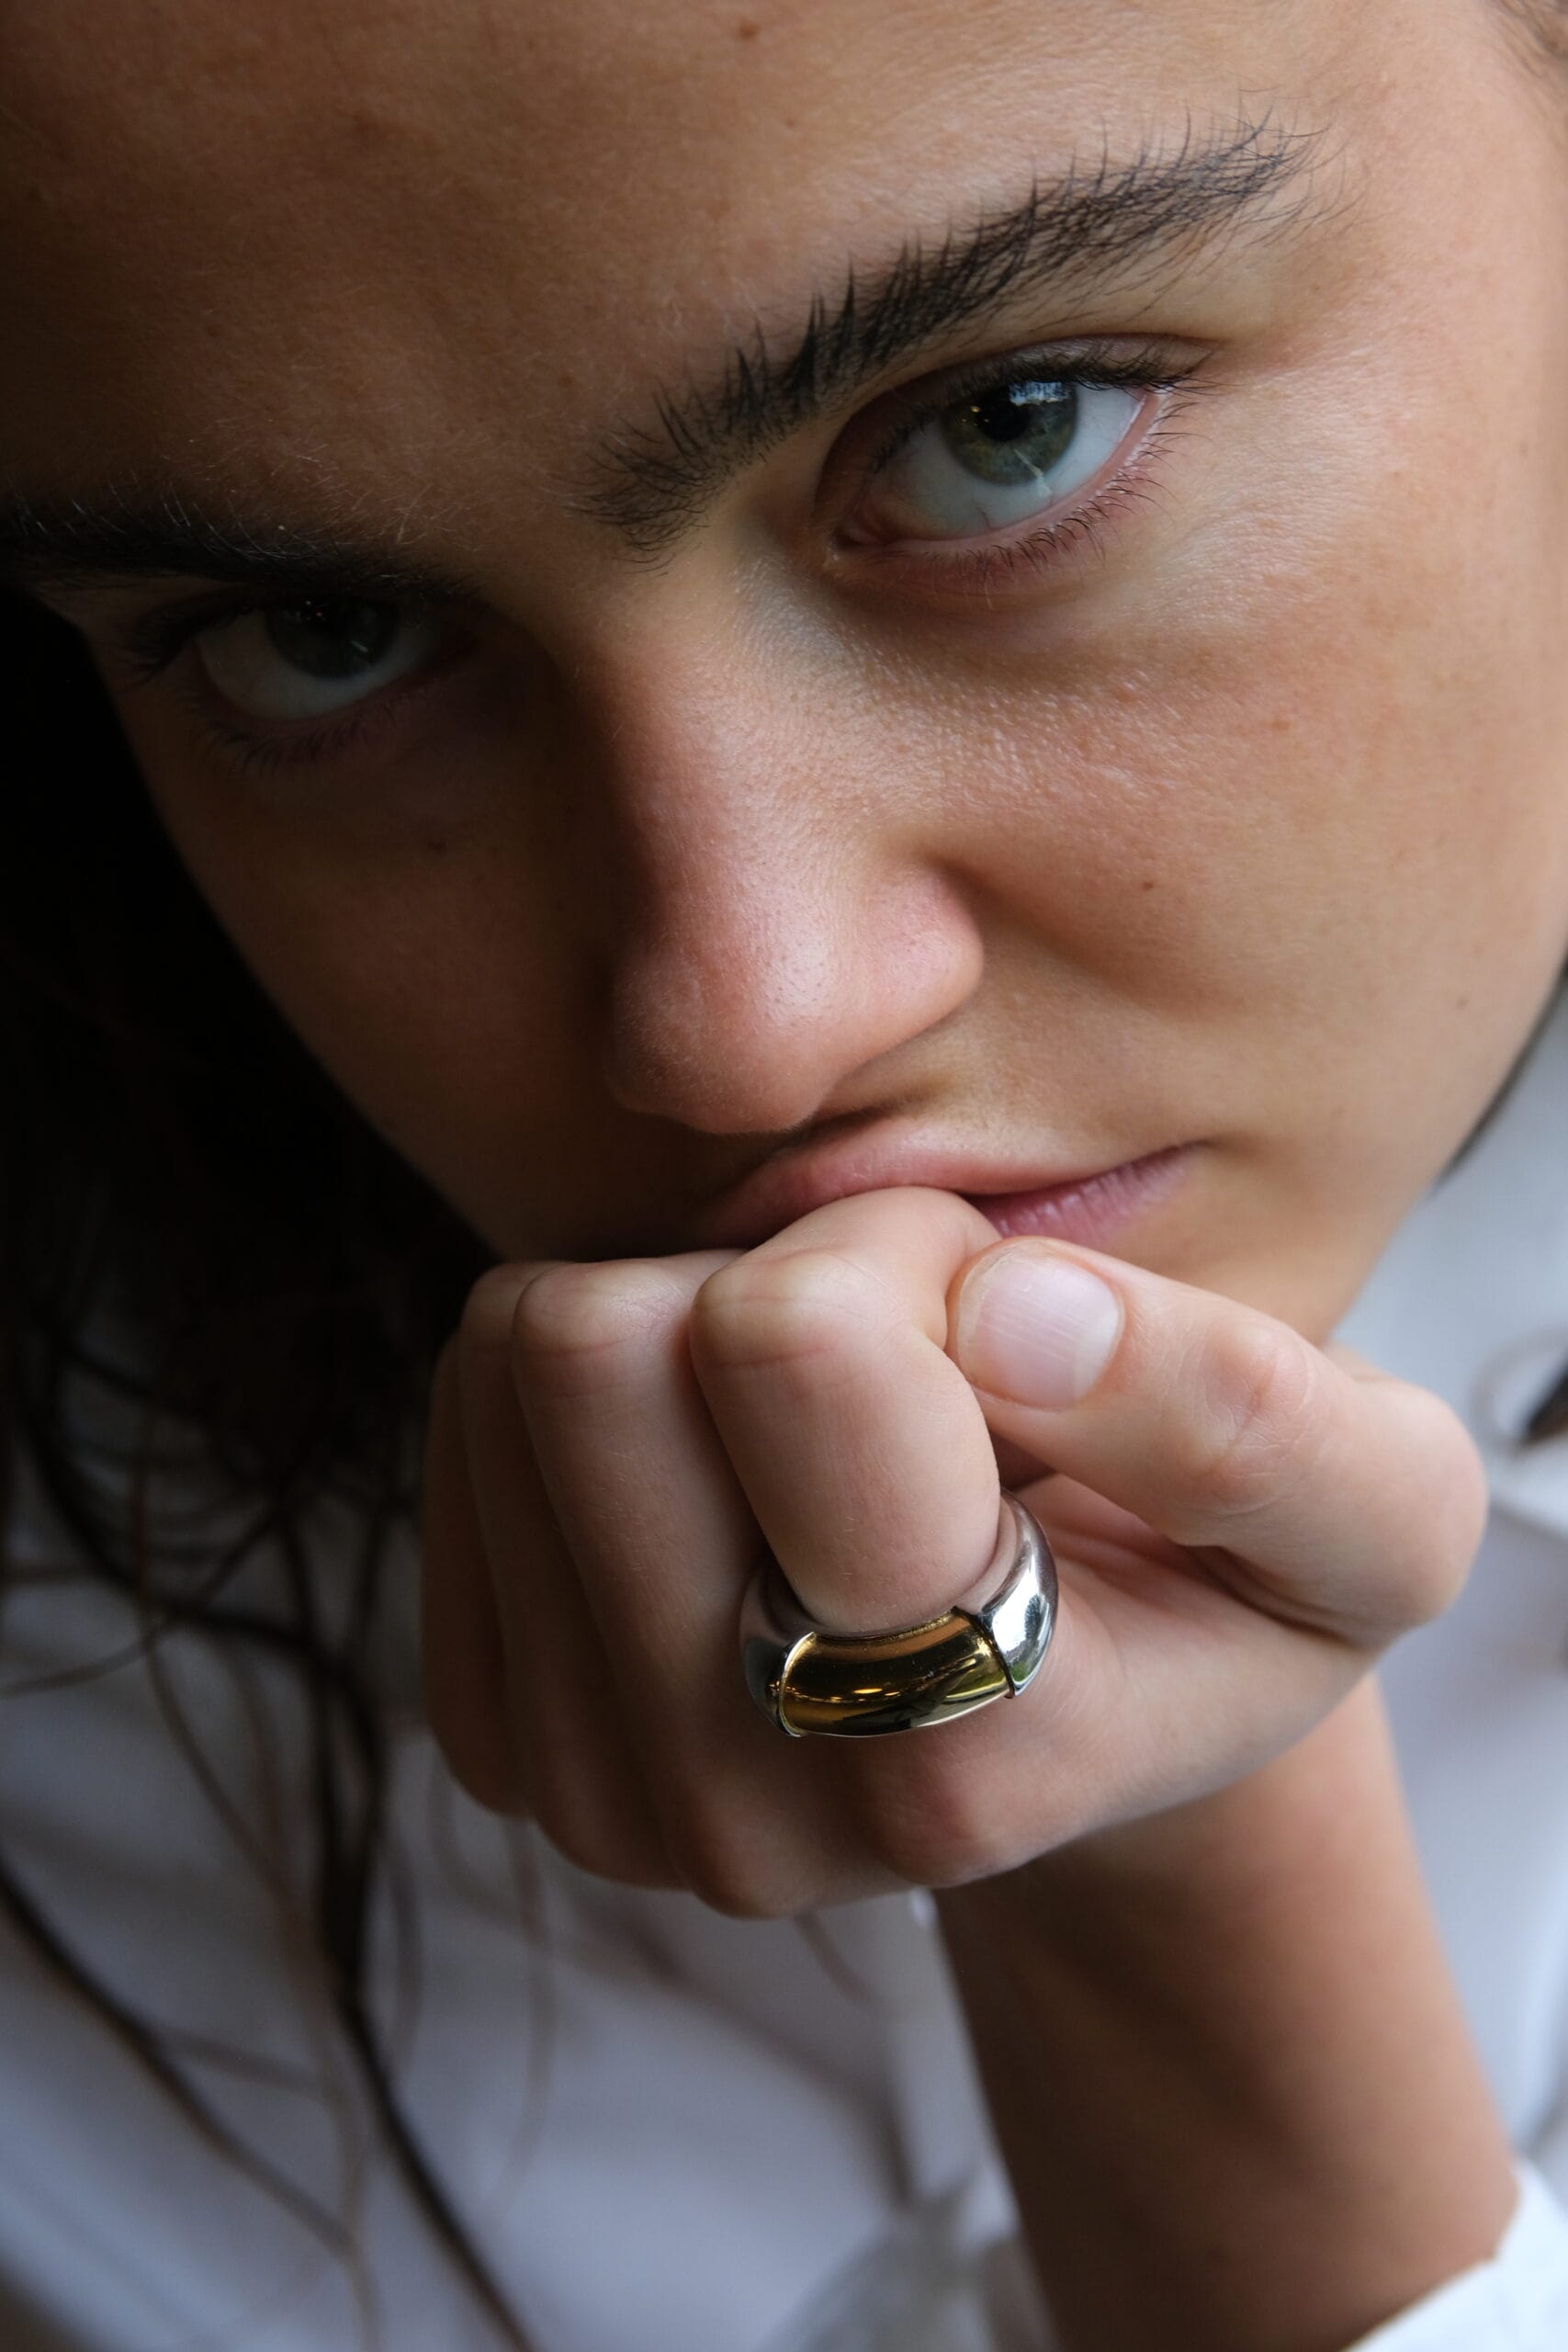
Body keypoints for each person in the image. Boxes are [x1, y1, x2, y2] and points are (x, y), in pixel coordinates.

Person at [3, 0, 1568, 2344]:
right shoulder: (85, 1816)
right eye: (322, 639)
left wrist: (1175, 1935)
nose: (741, 1023)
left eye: (1003, 428)